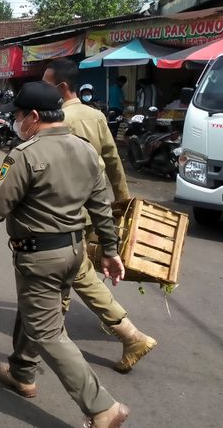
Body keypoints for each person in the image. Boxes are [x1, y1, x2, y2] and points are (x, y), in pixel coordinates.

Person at [0, 81, 130, 427]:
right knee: (35, 311)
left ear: (33, 116)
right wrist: (110, 250)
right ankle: (21, 372)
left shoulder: (25, 155)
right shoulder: (86, 150)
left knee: (46, 331)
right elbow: (102, 208)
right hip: (74, 252)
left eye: (17, 116)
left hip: (40, 256)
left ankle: (102, 407)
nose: (16, 123)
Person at [45, 58, 156, 373]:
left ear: (62, 88)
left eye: (46, 83)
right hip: (92, 210)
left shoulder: (56, 120)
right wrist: (123, 200)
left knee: (68, 274)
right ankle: (48, 338)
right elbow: (113, 160)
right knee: (76, 273)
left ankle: (37, 350)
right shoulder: (95, 117)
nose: (42, 89)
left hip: (61, 214)